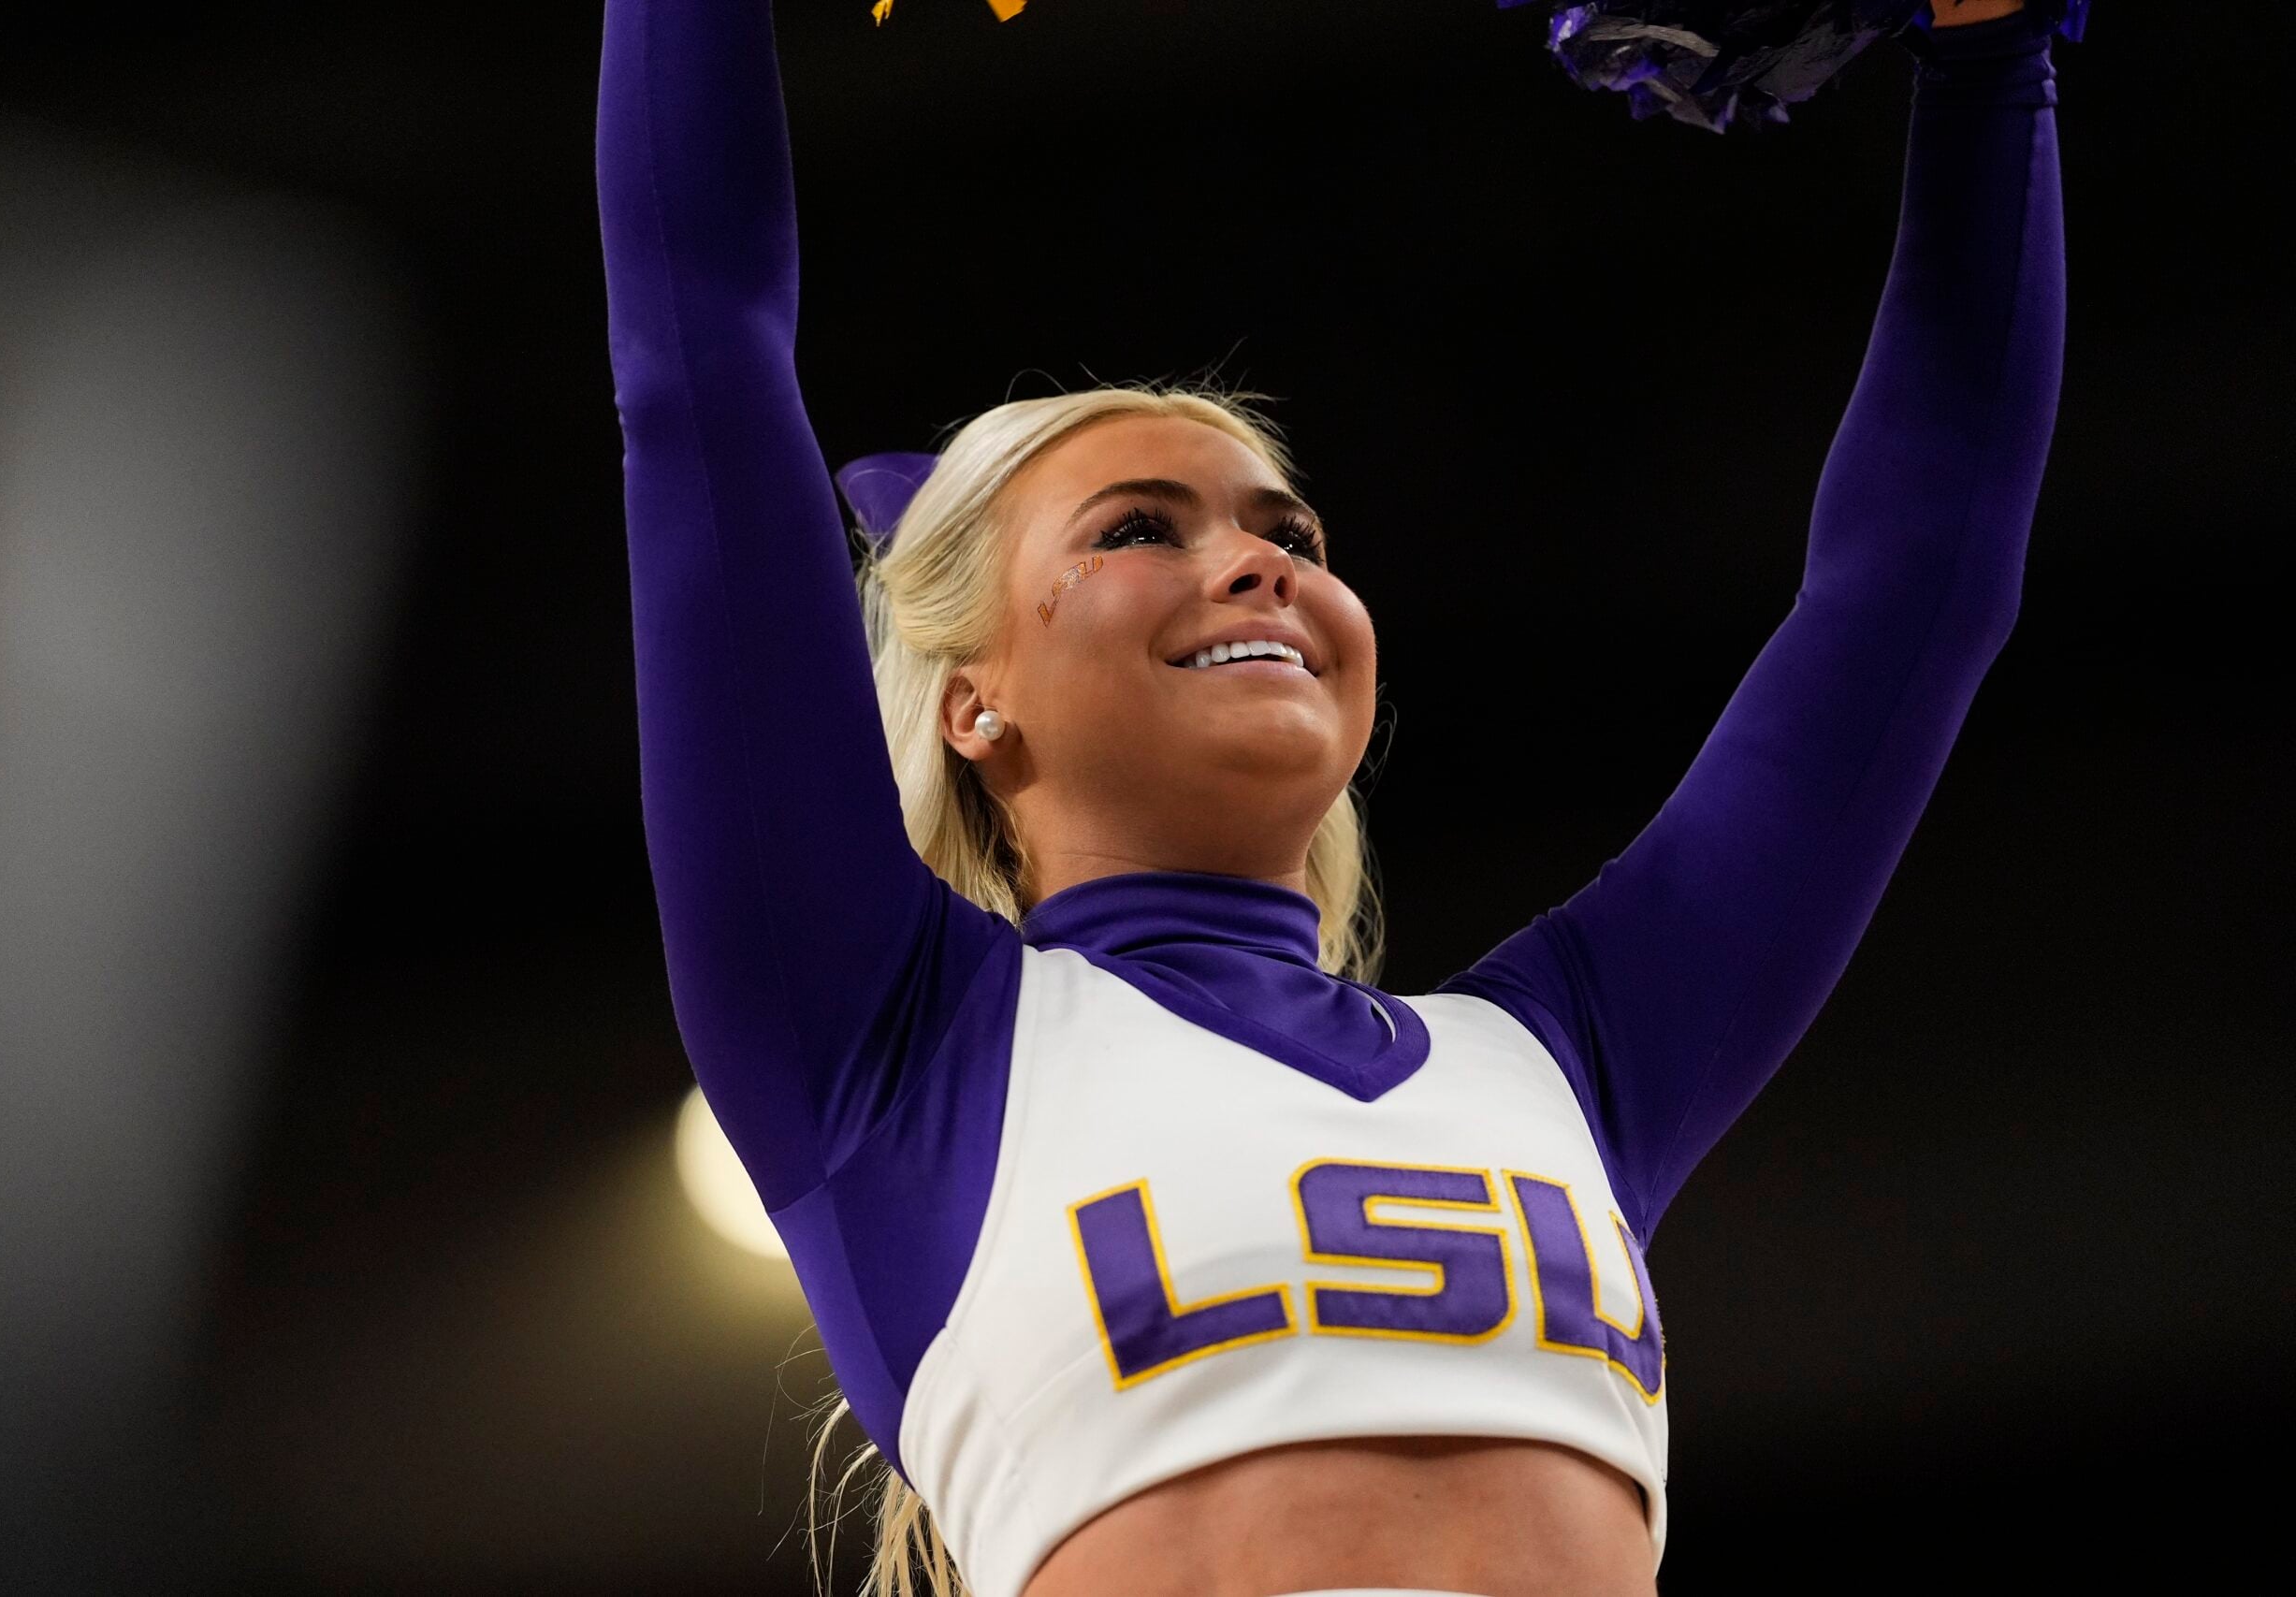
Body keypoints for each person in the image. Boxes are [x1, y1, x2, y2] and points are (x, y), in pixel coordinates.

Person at [593, 1, 2071, 1592]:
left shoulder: (1572, 1056)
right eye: (1138, 529)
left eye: (1290, 535)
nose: (1258, 565)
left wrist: (1992, 60)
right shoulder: (887, 1057)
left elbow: (1913, 584)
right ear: (974, 702)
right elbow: (697, 359)